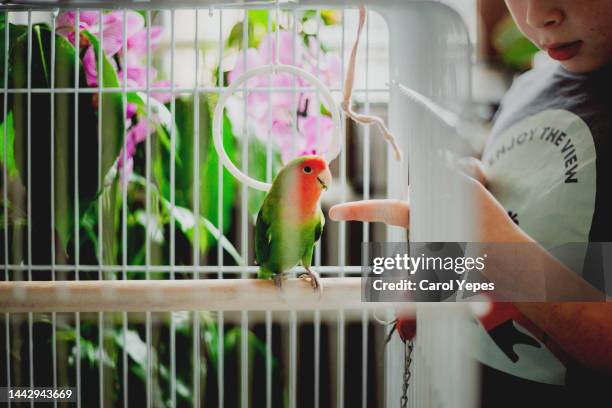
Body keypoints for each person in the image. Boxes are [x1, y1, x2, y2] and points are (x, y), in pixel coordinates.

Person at [330, 0, 612, 406]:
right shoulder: (531, 83)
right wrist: (443, 231)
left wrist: (501, 248)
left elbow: (505, 252)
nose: (534, 16)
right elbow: (532, 232)